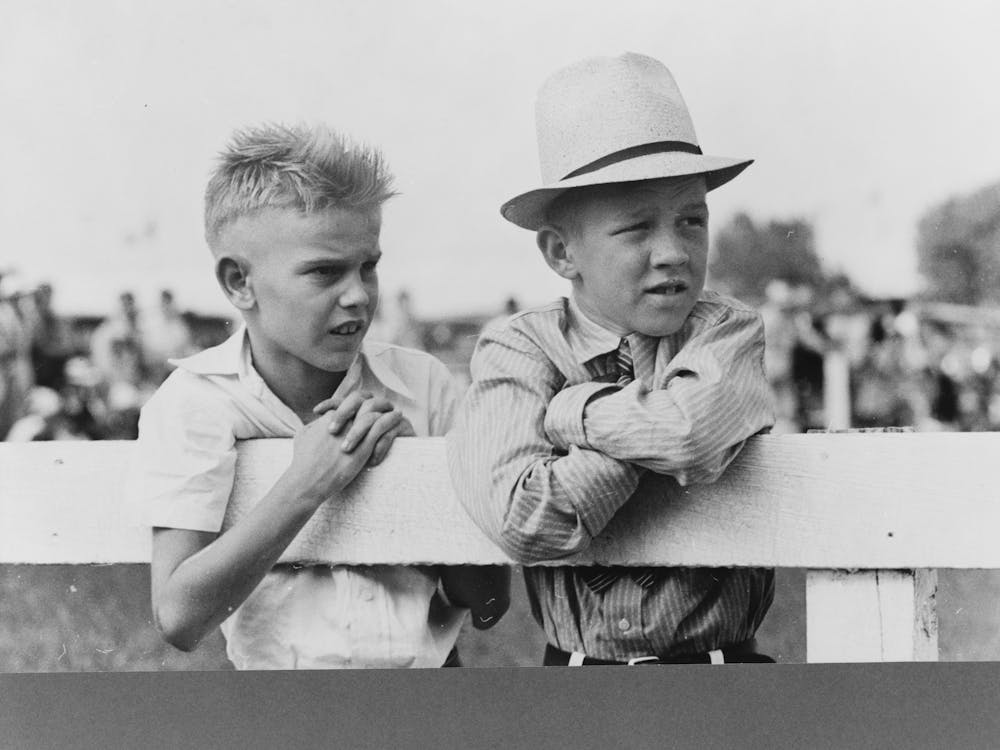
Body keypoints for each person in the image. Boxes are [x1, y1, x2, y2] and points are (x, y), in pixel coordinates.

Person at [133, 123, 509, 669]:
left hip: (431, 701)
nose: (358, 295)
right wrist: (307, 482)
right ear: (240, 282)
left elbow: (491, 604)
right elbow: (179, 617)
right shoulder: (196, 403)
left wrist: (413, 480)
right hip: (287, 710)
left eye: (369, 266)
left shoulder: (422, 385)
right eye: (324, 272)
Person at [447, 53, 776, 666]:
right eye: (636, 228)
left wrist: (577, 411)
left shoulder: (726, 330)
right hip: (577, 675)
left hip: (724, 672)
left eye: (691, 220)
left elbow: (689, 433)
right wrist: (644, 425)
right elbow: (523, 517)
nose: (674, 251)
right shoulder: (520, 347)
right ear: (561, 253)